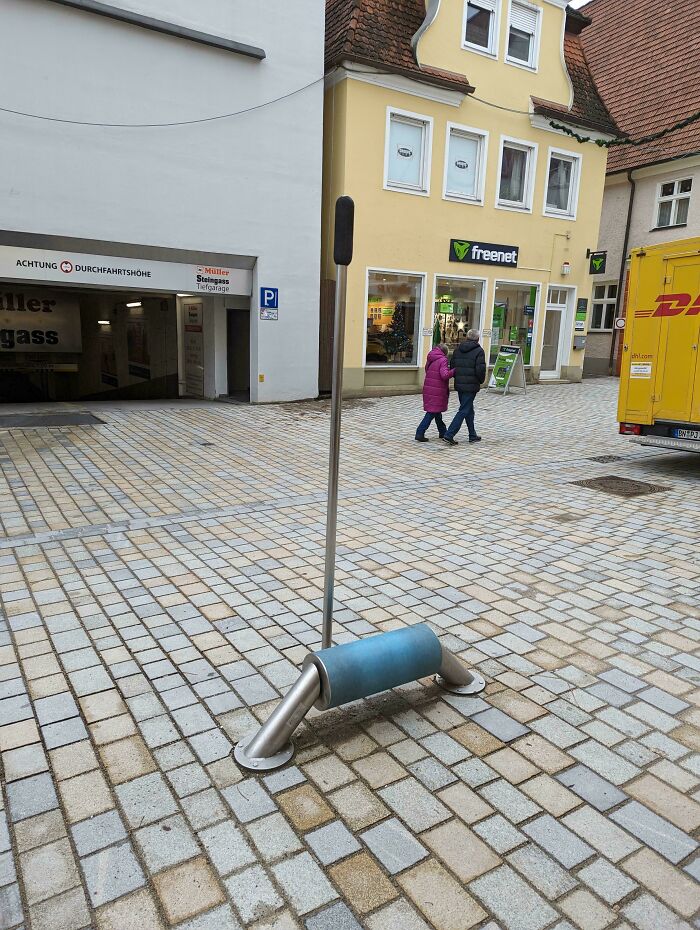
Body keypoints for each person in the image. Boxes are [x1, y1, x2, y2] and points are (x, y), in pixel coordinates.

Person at [442, 329, 486, 446]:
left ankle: (472, 435)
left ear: (467, 337)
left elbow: (453, 366)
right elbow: (480, 369)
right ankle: (449, 434)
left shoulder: (458, 349)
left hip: (460, 384)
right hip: (471, 385)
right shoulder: (479, 351)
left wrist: (458, 377)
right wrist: (480, 381)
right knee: (464, 410)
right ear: (477, 339)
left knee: (468, 409)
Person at [415, 343, 455, 442]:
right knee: (432, 412)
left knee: (437, 412)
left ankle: (443, 432)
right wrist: (454, 371)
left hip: (429, 388)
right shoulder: (443, 360)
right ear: (445, 352)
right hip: (437, 389)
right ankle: (419, 432)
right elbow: (444, 375)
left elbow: (427, 370)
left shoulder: (431, 357)